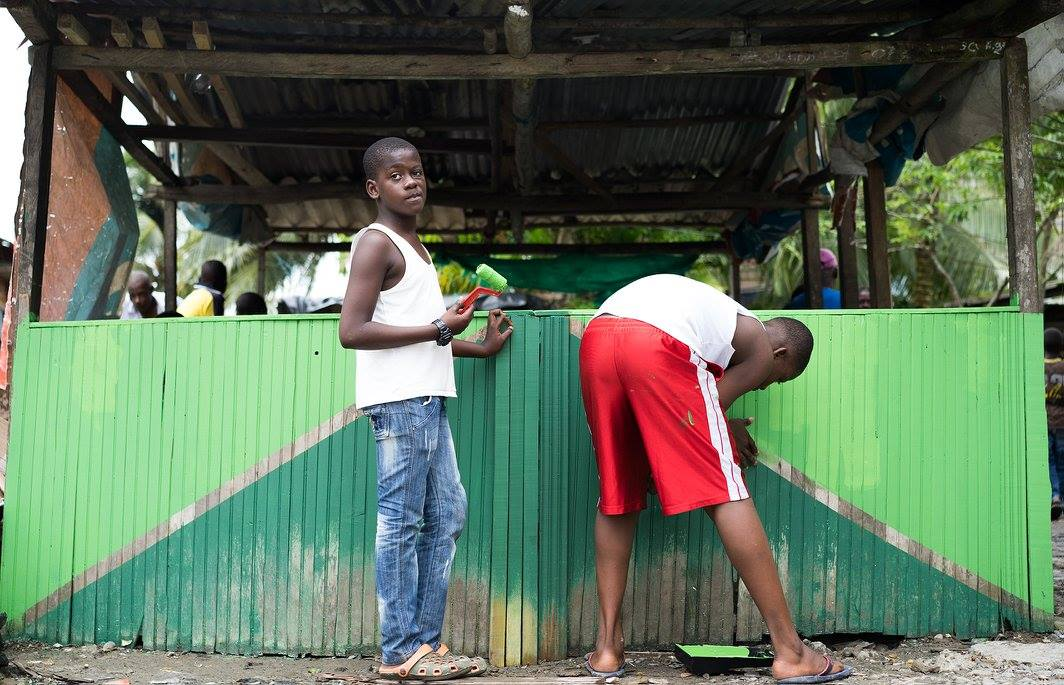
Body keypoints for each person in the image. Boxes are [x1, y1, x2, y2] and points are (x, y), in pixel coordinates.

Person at [579, 274, 851, 685]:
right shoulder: (759, 345)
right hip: (657, 344)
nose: (763, 385)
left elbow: (698, 410)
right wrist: (730, 430)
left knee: (618, 494)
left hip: (600, 338)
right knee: (724, 488)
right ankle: (791, 651)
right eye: (775, 378)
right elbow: (708, 409)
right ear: (778, 354)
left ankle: (606, 649)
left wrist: (718, 424)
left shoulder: (719, 318)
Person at [339, 137, 513, 681]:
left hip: (427, 399)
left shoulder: (417, 248)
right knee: (400, 522)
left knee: (448, 515)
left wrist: (474, 346)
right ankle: (399, 652)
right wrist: (440, 326)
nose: (412, 181)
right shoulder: (376, 243)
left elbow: (418, 335)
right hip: (400, 404)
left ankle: (426, 646)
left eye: (417, 172)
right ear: (375, 188)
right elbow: (352, 331)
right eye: (397, 175)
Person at [1046, 327, 1064, 520]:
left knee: (1049, 461)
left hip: (1044, 423)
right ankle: (1060, 498)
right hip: (1062, 424)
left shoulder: (1038, 366)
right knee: (1061, 461)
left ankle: (1055, 496)